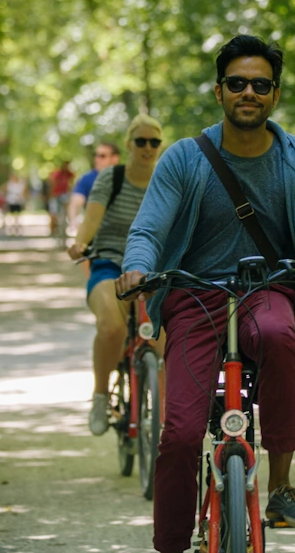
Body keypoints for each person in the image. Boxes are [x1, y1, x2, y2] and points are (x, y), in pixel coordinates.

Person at [117, 35, 295, 553]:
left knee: (280, 335)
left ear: (275, 95)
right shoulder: (183, 159)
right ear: (219, 91)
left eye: (260, 84)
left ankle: (282, 485)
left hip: (267, 287)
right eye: (238, 83)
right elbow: (149, 229)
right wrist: (137, 269)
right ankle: (171, 540)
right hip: (194, 294)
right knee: (178, 432)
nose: (249, 92)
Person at [67, 117, 164, 436]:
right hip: (109, 263)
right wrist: (81, 242)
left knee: (173, 341)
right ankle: (100, 396)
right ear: (129, 144)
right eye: (141, 141)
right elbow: (91, 219)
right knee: (111, 326)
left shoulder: (167, 178)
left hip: (154, 271)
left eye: (154, 142)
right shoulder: (111, 178)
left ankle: (168, 417)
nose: (147, 148)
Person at [67, 142, 121, 238]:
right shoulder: (87, 179)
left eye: (102, 156)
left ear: (115, 158)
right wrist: (73, 223)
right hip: (96, 233)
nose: (97, 159)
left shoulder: (126, 177)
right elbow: (76, 203)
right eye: (96, 155)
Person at [46, 160, 75, 237]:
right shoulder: (57, 174)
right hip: (56, 194)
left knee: (65, 211)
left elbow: (72, 182)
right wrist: (51, 193)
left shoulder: (69, 174)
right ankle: (53, 229)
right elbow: (52, 183)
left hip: (65, 194)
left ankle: (63, 229)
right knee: (54, 213)